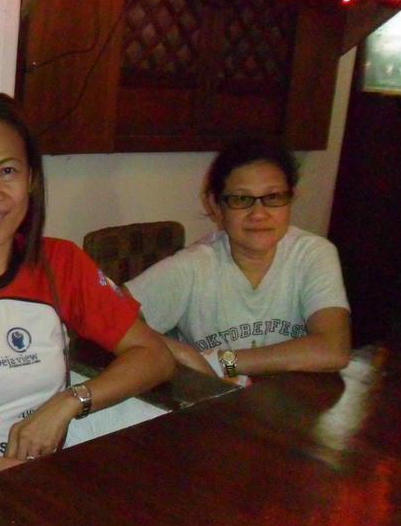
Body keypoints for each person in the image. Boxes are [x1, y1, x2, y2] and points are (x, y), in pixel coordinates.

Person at [0, 92, 205, 486]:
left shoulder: (61, 262)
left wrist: (71, 401)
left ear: (31, 179)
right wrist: (28, 480)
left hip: (41, 483)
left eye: (7, 171)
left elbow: (153, 356)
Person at [125, 137, 351, 386]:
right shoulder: (193, 266)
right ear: (216, 206)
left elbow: (333, 349)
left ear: (291, 198)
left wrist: (222, 362)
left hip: (294, 402)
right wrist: (182, 354)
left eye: (273, 197)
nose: (259, 214)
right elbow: (108, 316)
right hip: (218, 404)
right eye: (241, 199)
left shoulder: (313, 254)